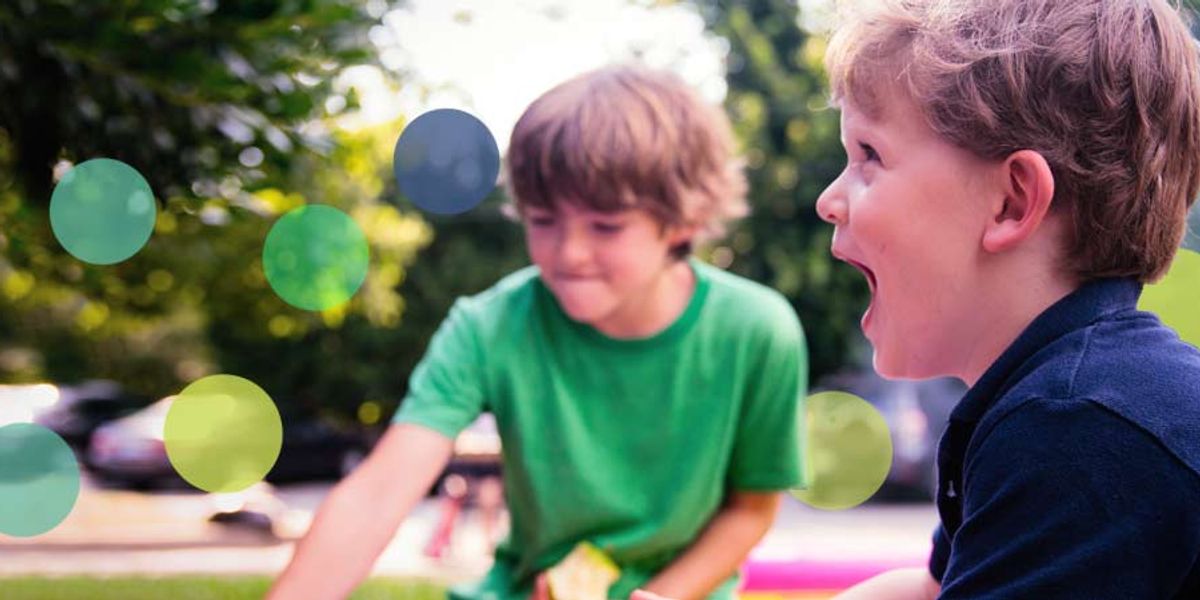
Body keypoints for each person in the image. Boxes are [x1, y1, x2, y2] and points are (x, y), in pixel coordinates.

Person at [267, 64, 808, 600]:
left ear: (684, 220)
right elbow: (379, 493)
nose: (569, 253)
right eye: (543, 220)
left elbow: (750, 510)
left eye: (606, 226)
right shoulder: (488, 326)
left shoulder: (758, 330)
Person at [808, 0, 1200, 597]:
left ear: (1012, 202)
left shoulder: (1077, 429)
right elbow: (932, 588)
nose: (828, 200)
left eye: (869, 156)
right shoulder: (1049, 393)